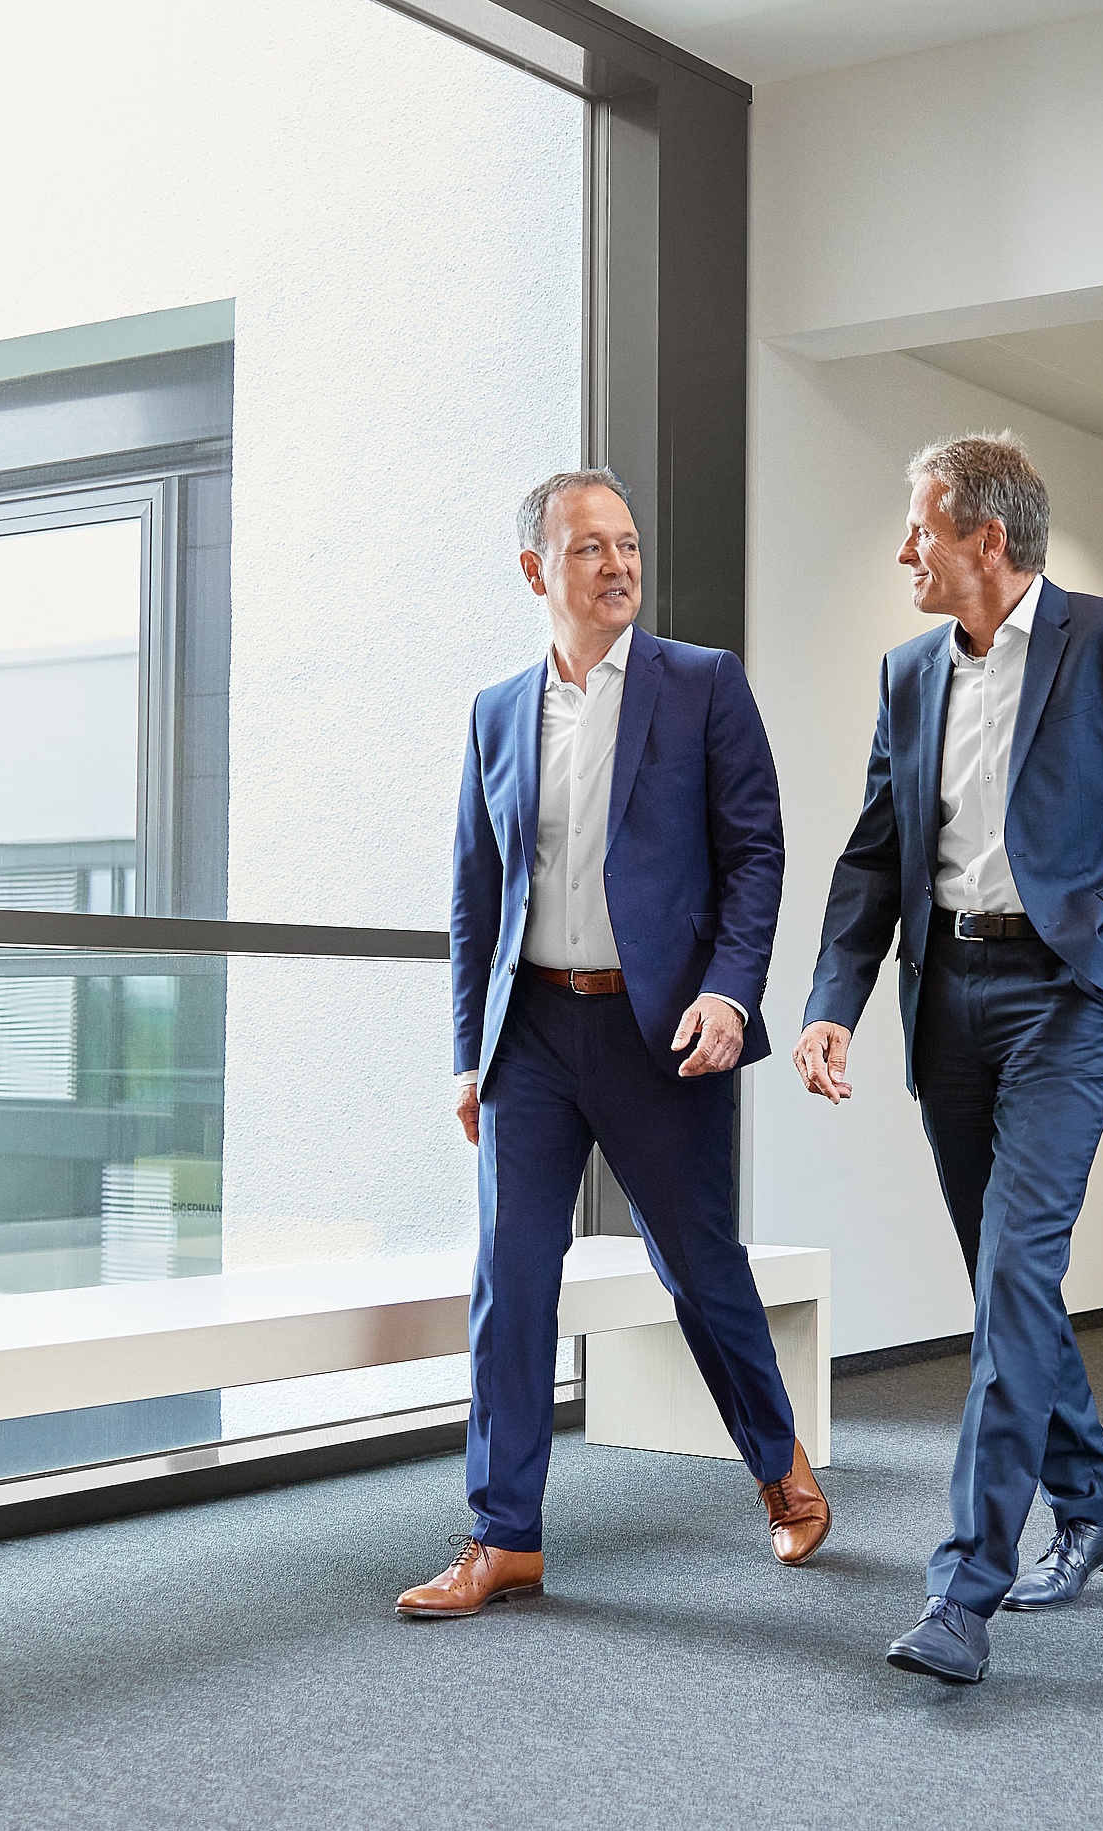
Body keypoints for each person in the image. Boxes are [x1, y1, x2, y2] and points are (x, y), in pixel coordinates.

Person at [794, 434, 1103, 1683]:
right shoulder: (907, 672)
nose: (902, 550)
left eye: (918, 528)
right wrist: (836, 1002)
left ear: (988, 537)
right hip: (948, 1003)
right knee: (1006, 1285)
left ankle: (962, 1590)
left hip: (1058, 1001)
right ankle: (1092, 1503)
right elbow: (875, 853)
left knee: (1016, 1273)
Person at [399, 468, 830, 1619]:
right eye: (590, 549)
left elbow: (756, 858)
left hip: (662, 1035)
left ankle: (780, 1468)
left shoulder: (701, 685)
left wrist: (731, 996)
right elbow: (473, 895)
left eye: (628, 544)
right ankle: (505, 1537)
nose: (619, 566)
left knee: (698, 1268)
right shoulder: (497, 712)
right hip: (532, 1032)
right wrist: (466, 1056)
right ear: (537, 570)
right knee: (509, 1280)